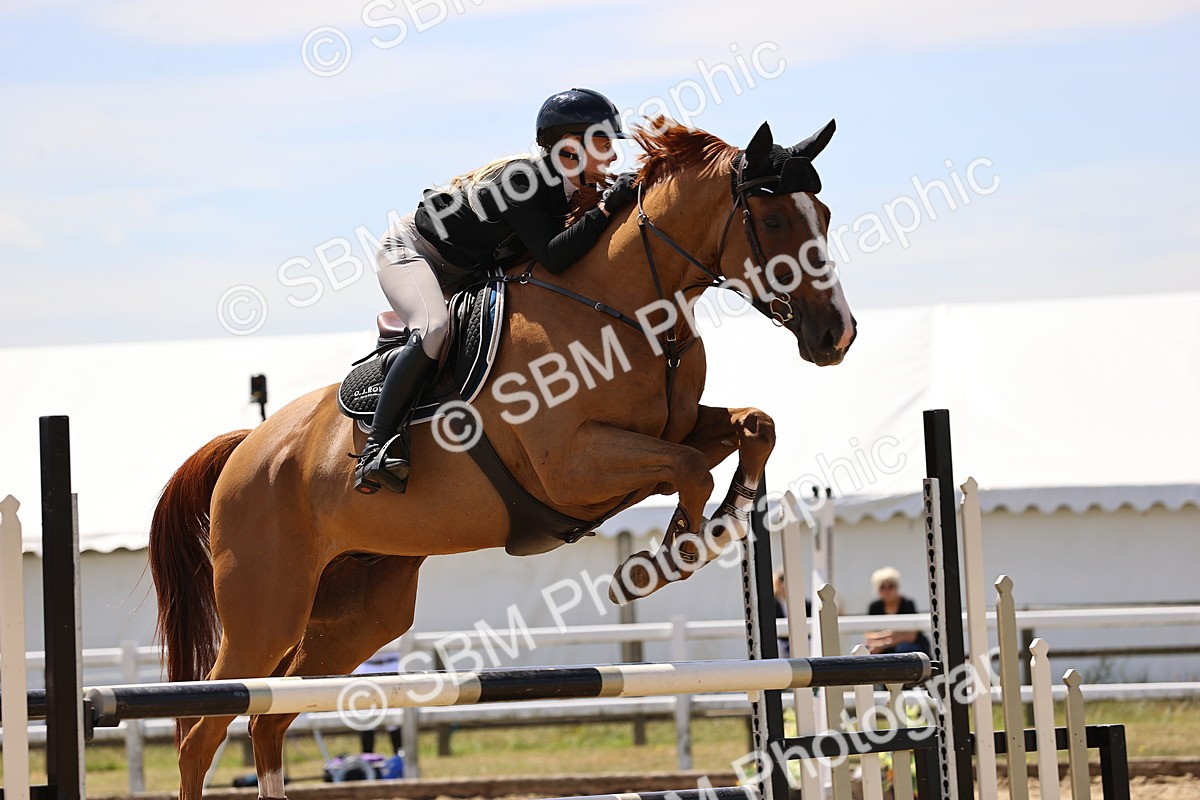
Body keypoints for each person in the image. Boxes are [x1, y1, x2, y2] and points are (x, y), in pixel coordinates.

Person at [352, 88, 639, 495]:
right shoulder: (523, 180)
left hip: (467, 269)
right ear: (571, 147)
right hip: (414, 253)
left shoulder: (569, 190)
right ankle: (376, 449)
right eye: (605, 144)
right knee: (434, 328)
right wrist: (608, 207)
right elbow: (555, 256)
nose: (612, 157)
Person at [864, 566, 931, 656]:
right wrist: (890, 635)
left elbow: (911, 635)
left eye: (891, 586)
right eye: (882, 587)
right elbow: (869, 635)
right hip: (885, 648)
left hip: (910, 647)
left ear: (897, 587)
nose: (887, 590)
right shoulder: (875, 606)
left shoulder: (907, 603)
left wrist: (883, 643)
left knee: (903, 648)